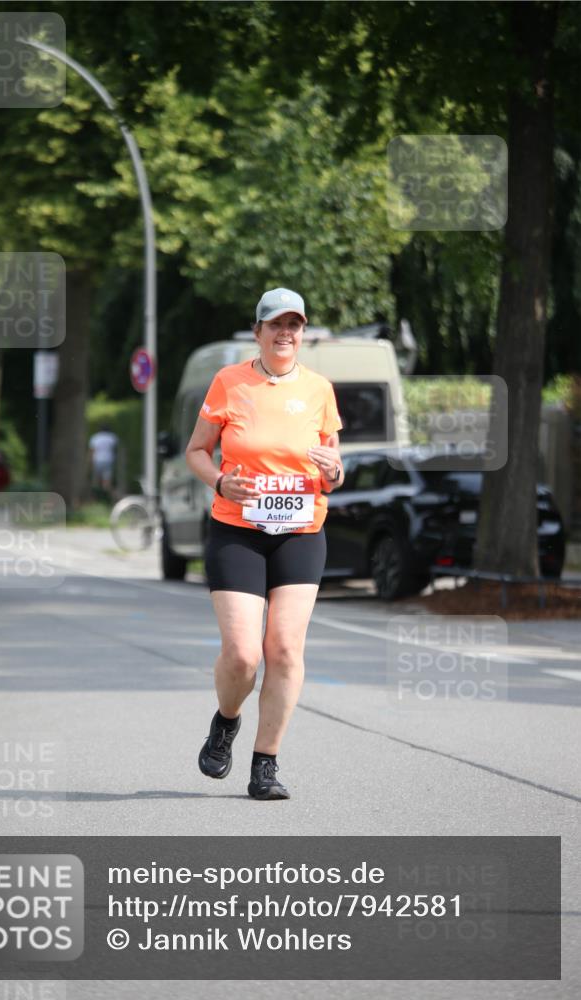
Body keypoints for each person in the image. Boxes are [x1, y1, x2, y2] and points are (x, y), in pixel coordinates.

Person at [185, 288, 344, 800]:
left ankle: (265, 764)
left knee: (284, 649)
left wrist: (334, 472)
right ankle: (227, 720)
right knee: (242, 655)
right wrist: (219, 481)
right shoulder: (230, 382)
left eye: (294, 325)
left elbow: (333, 465)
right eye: (275, 324)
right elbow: (196, 451)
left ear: (303, 333)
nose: (285, 334)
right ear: (257, 331)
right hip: (238, 529)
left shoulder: (320, 389)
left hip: (301, 532)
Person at [88, 425, 119, 494]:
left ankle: (96, 496)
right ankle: (106, 496)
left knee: (96, 480)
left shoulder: (95, 437)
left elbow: (92, 451)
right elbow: (115, 449)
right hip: (109, 460)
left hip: (97, 460)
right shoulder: (112, 437)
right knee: (107, 481)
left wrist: (90, 462)